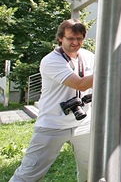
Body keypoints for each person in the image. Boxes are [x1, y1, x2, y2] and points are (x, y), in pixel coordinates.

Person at [10, 19, 95, 182]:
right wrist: (111, 65)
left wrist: (120, 62)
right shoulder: (51, 60)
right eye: (71, 38)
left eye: (79, 39)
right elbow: (80, 84)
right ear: (60, 38)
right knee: (28, 174)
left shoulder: (88, 56)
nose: (75, 43)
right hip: (52, 123)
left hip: (83, 122)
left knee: (91, 170)